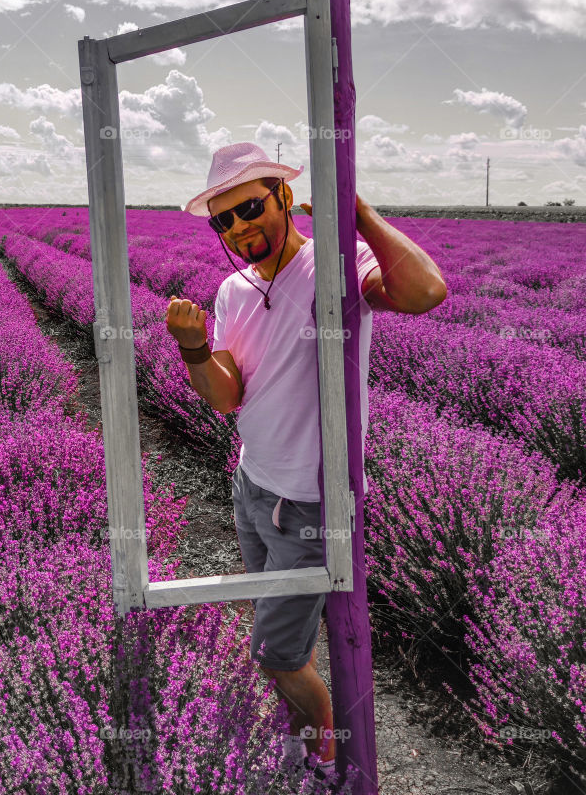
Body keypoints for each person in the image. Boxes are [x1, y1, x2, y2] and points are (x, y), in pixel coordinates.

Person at [165, 141, 446, 781]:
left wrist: (356, 211)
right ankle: (301, 742)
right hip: (253, 487)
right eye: (224, 220)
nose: (240, 228)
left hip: (313, 504)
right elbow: (227, 397)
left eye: (251, 208)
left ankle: (329, 761)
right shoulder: (231, 291)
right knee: (284, 641)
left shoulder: (334, 264)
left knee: (275, 652)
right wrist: (192, 349)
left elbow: (427, 290)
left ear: (284, 197)